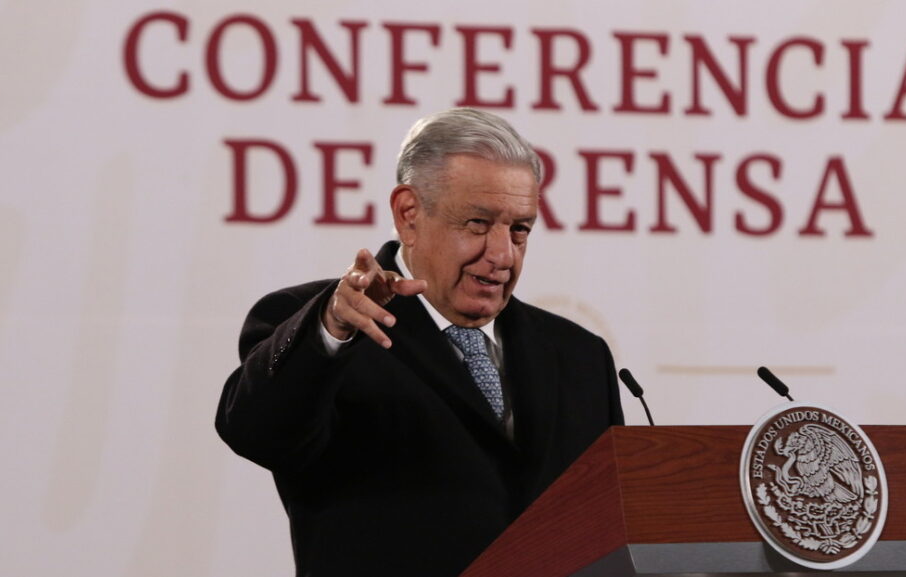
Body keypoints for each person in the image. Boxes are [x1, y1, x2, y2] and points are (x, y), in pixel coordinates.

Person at [216, 108, 624, 577]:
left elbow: (612, 521)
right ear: (409, 214)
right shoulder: (327, 327)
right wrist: (330, 328)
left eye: (519, 229)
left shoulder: (579, 355)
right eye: (476, 223)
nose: (502, 254)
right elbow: (258, 432)